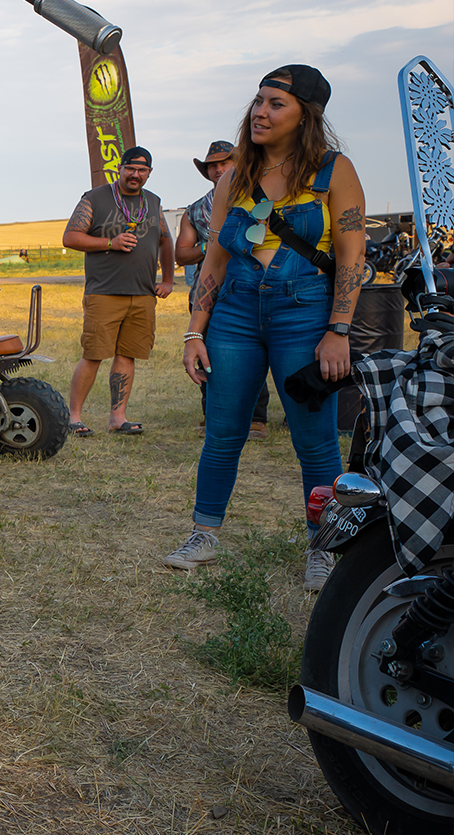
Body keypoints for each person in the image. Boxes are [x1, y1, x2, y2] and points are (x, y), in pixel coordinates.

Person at [167, 65, 366, 592]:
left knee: (316, 441)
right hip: (233, 316)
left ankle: (322, 551)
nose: (260, 111)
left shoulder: (332, 171)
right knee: (223, 431)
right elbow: (213, 261)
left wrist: (338, 329)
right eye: (258, 101)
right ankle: (203, 535)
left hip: (304, 314)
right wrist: (194, 331)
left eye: (277, 103)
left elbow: (350, 256)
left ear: (306, 114)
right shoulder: (235, 175)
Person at [62, 146, 174, 436]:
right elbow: (71, 237)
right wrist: (109, 243)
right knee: (94, 354)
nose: (136, 175)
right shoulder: (95, 198)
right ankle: (73, 417)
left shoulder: (153, 201)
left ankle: (118, 418)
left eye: (142, 170)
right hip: (104, 292)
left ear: (149, 173)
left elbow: (164, 239)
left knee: (127, 355)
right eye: (131, 169)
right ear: (120, 169)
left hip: (143, 293)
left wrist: (169, 279)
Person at [179, 140, 272, 440]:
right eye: (212, 165)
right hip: (209, 292)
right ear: (206, 172)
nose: (218, 169)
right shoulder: (195, 211)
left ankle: (256, 419)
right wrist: (215, 245)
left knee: (255, 353)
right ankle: (212, 416)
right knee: (210, 355)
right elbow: (181, 255)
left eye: (225, 162)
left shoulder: (262, 199)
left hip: (252, 287)